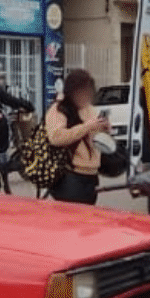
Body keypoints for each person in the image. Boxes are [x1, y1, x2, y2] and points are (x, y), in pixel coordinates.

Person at [45, 69, 108, 204]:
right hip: (70, 176)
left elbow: (97, 139)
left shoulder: (90, 109)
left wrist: (105, 129)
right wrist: (87, 127)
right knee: (74, 221)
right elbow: (56, 137)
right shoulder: (59, 109)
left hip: (91, 176)